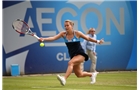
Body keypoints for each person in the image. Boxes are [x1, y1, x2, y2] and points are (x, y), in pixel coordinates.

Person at [38, 20, 104, 86]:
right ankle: (92, 74)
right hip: (73, 55)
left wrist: (98, 41)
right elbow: (53, 38)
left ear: (71, 26)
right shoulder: (63, 34)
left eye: (67, 25)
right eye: (65, 26)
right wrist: (44, 39)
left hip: (81, 54)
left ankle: (64, 78)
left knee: (70, 63)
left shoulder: (77, 33)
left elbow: (88, 38)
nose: (66, 27)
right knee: (79, 74)